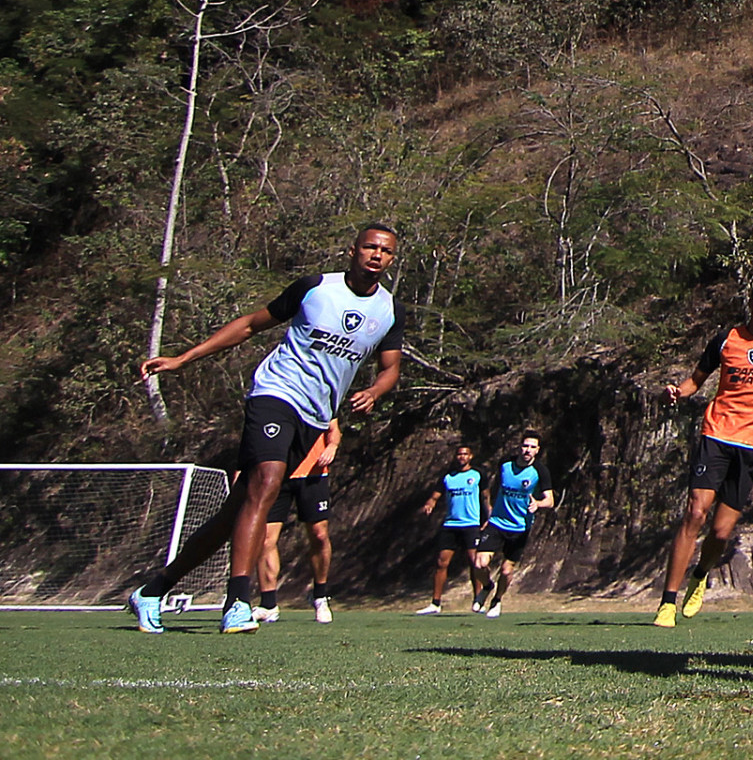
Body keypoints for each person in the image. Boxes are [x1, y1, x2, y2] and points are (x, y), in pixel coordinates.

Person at [129, 224, 404, 634]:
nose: (376, 255)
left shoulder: (388, 310)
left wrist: (375, 392)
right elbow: (249, 325)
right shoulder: (315, 288)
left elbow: (391, 368)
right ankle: (238, 601)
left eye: (384, 250)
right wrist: (185, 358)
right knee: (269, 480)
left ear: (392, 259)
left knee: (236, 513)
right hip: (275, 393)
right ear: (352, 251)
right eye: (369, 247)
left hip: (314, 416)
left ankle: (153, 590)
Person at [653, 283, 753, 628]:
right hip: (717, 434)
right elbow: (695, 381)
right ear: (751, 303)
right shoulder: (727, 339)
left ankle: (700, 575)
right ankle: (667, 601)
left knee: (722, 533)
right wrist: (676, 393)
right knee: (695, 512)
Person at [255, 418, 342, 624]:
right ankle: (268, 604)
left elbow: (334, 429)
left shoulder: (318, 397)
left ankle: (320, 597)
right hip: (277, 475)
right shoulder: (274, 400)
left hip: (313, 476)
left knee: (319, 535)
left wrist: (332, 446)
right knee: (266, 539)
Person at [471, 431, 554, 618]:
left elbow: (550, 501)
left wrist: (538, 504)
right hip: (497, 523)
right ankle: (487, 586)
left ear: (538, 450)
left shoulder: (540, 471)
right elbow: (496, 486)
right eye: (525, 446)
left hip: (519, 528)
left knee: (506, 571)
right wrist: (490, 509)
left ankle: (497, 600)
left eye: (532, 447)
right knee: (479, 564)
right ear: (520, 447)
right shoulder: (505, 464)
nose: (528, 450)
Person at [416, 442, 486, 615]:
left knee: (475, 563)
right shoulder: (448, 477)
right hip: (451, 525)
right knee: (441, 562)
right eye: (459, 454)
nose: (462, 457)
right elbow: (435, 495)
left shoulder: (478, 475)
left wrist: (489, 519)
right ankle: (435, 603)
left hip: (471, 524)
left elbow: (486, 498)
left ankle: (479, 601)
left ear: (471, 457)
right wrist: (430, 503)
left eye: (465, 454)